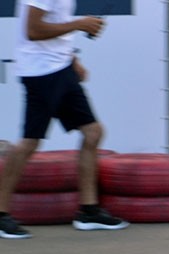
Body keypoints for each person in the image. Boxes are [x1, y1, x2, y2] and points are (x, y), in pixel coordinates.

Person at [0, 0, 128, 240]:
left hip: (60, 67)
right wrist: (80, 24)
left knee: (93, 132)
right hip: (41, 72)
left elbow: (55, 21)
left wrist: (72, 59)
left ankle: (88, 212)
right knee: (30, 142)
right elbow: (33, 30)